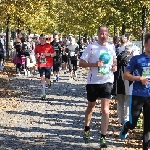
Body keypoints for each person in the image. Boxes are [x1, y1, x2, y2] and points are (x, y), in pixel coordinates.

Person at [79, 25, 117, 148]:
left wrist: (114, 66)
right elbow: (81, 63)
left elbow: (114, 60)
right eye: (101, 33)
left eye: (105, 33)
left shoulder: (111, 47)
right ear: (97, 34)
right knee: (91, 107)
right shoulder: (91, 47)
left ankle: (103, 137)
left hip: (107, 81)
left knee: (105, 110)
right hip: (93, 82)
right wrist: (94, 64)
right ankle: (86, 128)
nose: (103, 35)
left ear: (108, 35)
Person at [119, 33, 150, 150]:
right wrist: (139, 78)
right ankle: (126, 127)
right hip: (137, 94)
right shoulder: (137, 59)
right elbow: (126, 76)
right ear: (145, 44)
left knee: (148, 127)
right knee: (133, 124)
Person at [35, 34, 56, 100]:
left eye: (43, 38)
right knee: (42, 78)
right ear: (39, 39)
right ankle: (43, 94)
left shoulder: (49, 46)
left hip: (48, 64)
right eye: (41, 38)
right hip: (40, 64)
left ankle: (49, 82)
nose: (42, 39)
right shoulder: (37, 47)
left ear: (45, 39)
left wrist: (48, 54)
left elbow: (54, 54)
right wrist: (37, 56)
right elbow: (35, 55)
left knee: (47, 79)